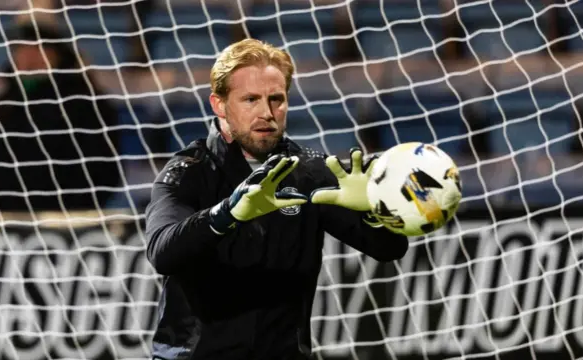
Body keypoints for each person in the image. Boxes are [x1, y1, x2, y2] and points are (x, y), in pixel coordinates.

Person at [144, 38, 410, 360]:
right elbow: (162, 252)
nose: (266, 113)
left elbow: (389, 248)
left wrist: (370, 209)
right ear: (219, 104)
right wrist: (227, 214)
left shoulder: (309, 172)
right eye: (250, 99)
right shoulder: (189, 171)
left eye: (276, 99)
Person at [0, 22, 121, 214]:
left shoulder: (86, 103)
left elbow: (103, 169)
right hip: (6, 223)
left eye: (39, 47)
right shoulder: (2, 106)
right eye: (22, 47)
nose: (29, 56)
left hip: (70, 222)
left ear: (58, 54)